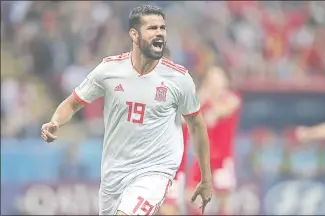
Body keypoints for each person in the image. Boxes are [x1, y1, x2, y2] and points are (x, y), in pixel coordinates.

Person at [40, 5, 212, 216]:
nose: (159, 33)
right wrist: (55, 121)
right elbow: (73, 102)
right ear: (134, 34)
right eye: (151, 28)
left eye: (162, 28)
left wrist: (206, 178)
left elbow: (198, 125)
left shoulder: (179, 79)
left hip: (155, 172)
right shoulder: (109, 70)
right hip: (114, 174)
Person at [187, 66, 242, 215]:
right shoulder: (203, 100)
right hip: (203, 158)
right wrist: (204, 93)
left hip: (222, 158)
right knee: (193, 198)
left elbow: (222, 110)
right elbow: (186, 116)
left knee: (223, 201)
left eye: (218, 77)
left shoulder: (232, 98)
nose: (216, 81)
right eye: (212, 77)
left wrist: (212, 108)